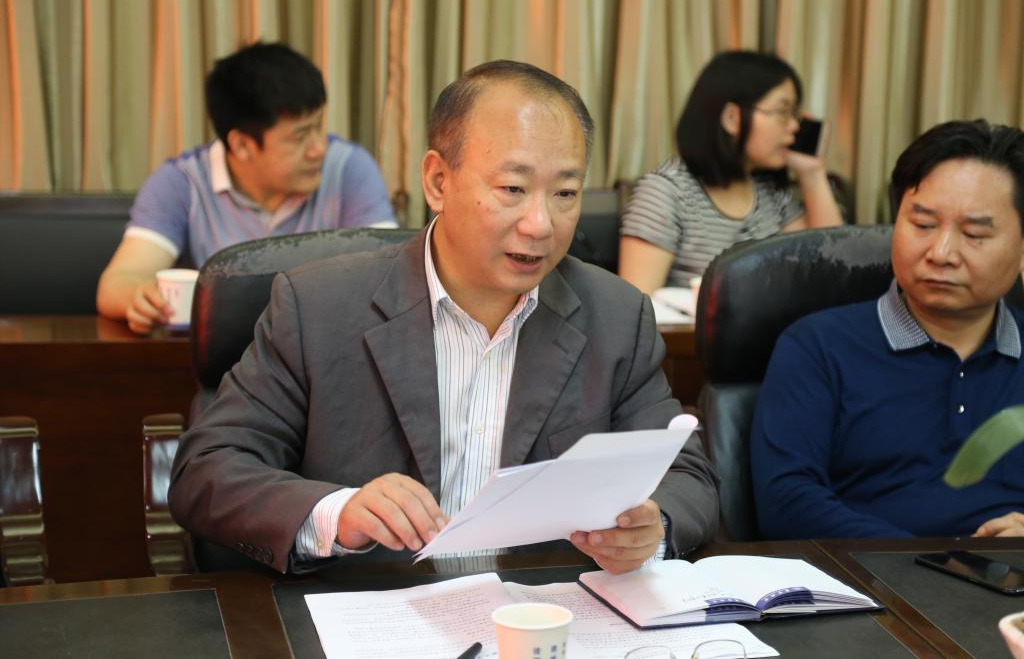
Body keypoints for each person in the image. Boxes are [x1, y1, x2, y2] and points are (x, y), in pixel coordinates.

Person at [168, 60, 719, 574]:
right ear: (438, 181)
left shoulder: (616, 316)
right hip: (368, 612)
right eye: (513, 188)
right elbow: (207, 469)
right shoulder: (318, 307)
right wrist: (338, 511)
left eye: (566, 193)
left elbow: (687, 475)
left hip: (539, 617)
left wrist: (652, 526)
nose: (541, 223)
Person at [751, 119, 1024, 539]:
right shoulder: (817, 346)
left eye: (974, 233)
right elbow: (786, 503)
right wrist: (936, 562)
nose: (941, 253)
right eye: (923, 225)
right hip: (863, 575)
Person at [96, 42, 396, 334]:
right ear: (241, 145)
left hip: (322, 355)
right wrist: (140, 299)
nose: (319, 148)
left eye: (319, 126)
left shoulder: (348, 168)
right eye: (300, 136)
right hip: (221, 360)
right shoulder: (182, 182)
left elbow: (391, 276)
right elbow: (118, 282)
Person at [618, 51, 843, 294]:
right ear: (731, 118)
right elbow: (636, 304)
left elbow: (831, 266)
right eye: (782, 112)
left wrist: (812, 173)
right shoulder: (666, 191)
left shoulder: (770, 193)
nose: (794, 126)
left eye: (794, 113)